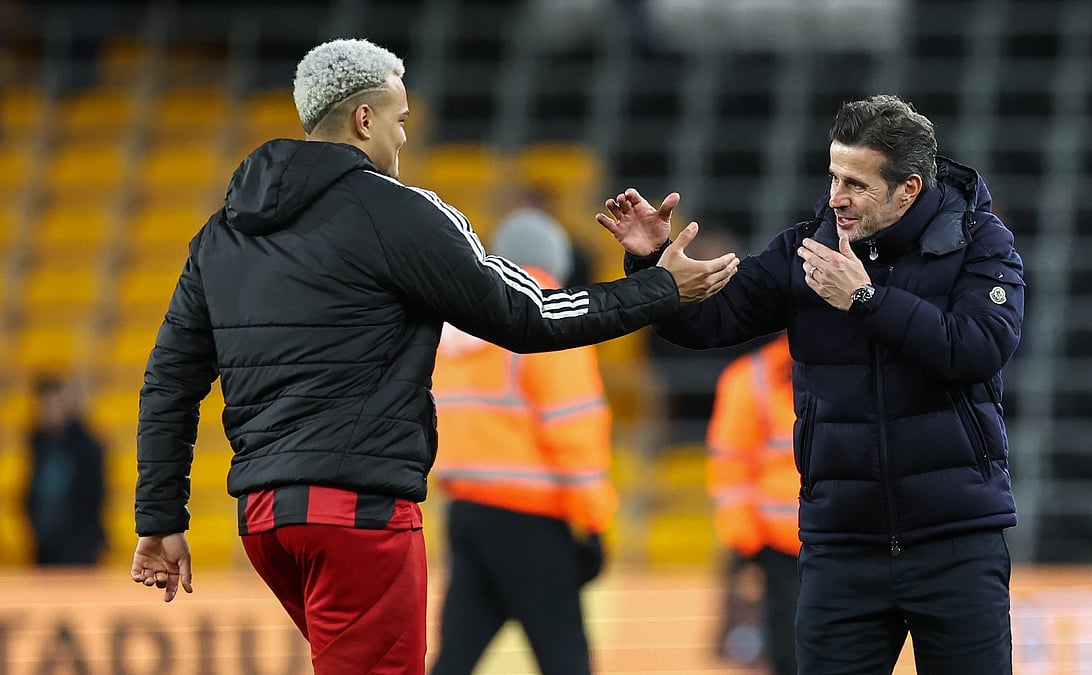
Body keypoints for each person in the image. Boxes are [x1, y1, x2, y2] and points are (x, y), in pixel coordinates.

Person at [128, 38, 738, 675]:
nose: (402, 140)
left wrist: (160, 516)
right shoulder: (398, 212)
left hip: (265, 522)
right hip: (356, 514)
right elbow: (525, 317)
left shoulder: (221, 232)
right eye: (399, 122)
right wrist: (659, 286)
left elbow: (170, 380)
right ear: (364, 120)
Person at [600, 94, 1024, 674]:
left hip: (956, 542)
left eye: (856, 182)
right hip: (839, 549)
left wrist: (867, 300)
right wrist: (651, 267)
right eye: (833, 176)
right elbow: (709, 323)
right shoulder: (807, 251)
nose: (836, 197)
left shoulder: (980, 242)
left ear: (910, 190)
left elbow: (977, 349)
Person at [429, 209, 613, 675]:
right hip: (532, 519)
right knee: (566, 658)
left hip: (467, 511)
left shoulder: (462, 321)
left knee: (455, 657)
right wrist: (593, 522)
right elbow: (573, 427)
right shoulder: (553, 314)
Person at [706, 332, 799, 675]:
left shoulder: (749, 376)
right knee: (787, 652)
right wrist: (745, 545)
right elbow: (730, 466)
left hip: (839, 539)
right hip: (780, 547)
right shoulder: (750, 379)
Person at [24, 374, 107, 565]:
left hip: (79, 543)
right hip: (44, 542)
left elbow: (95, 494)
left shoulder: (88, 445)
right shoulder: (37, 442)